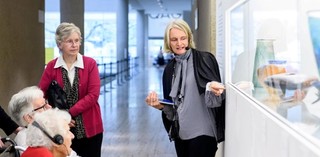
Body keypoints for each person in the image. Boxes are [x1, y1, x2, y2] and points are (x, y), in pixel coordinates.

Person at [145, 19, 225, 157]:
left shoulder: (205, 59)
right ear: (168, 42)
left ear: (189, 38)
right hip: (181, 135)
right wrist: (159, 106)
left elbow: (217, 101)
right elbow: (173, 110)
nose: (179, 43)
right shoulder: (170, 68)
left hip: (204, 133)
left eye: (183, 38)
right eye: (174, 39)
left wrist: (212, 89)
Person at [38, 22, 103, 157]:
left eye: (77, 41)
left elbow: (93, 95)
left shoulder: (90, 64)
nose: (74, 45)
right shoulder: (51, 66)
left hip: (90, 129)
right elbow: (40, 96)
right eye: (69, 41)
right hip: (61, 130)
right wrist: (57, 116)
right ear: (59, 44)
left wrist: (68, 114)